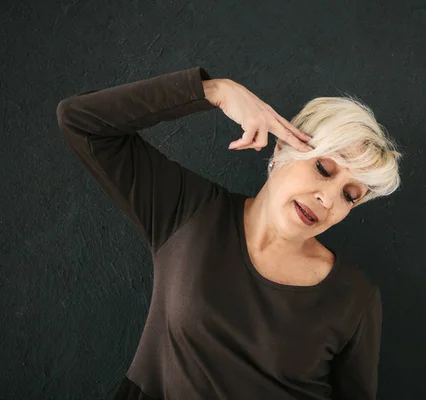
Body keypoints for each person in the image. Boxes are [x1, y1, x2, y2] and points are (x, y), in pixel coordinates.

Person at [56, 65, 402, 399]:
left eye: (349, 196)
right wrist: (215, 91)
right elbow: (80, 121)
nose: (327, 199)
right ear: (282, 148)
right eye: (324, 169)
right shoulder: (191, 212)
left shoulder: (355, 298)